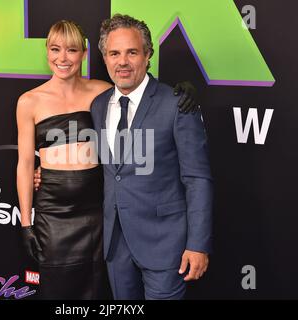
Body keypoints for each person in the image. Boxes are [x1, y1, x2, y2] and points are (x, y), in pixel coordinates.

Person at [18, 19, 199, 299]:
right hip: (55, 213)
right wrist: (27, 221)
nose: (63, 58)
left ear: (85, 54)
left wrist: (183, 91)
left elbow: (144, 97)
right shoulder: (32, 101)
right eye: (55, 49)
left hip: (96, 214)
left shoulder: (102, 92)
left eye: (72, 50)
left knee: (96, 290)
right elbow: (26, 163)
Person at [90, 14, 213, 300]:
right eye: (114, 53)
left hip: (165, 244)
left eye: (132, 52)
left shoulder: (177, 104)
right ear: (105, 58)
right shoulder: (98, 106)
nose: (123, 62)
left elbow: (197, 179)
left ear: (148, 55)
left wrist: (198, 244)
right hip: (115, 245)